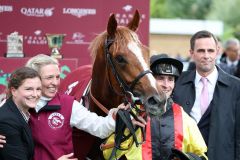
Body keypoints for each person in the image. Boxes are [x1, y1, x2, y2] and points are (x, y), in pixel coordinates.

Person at [0, 54, 145, 160]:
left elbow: (99, 127)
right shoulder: (16, 105)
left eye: (57, 77)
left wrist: (118, 117)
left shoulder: (68, 104)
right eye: (49, 77)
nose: (55, 83)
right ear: (34, 78)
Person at [101, 54, 207, 160]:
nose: (166, 85)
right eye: (160, 78)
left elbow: (201, 155)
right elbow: (108, 154)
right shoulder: (131, 115)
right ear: (149, 80)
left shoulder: (184, 119)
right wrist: (126, 130)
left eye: (170, 79)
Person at [173, 30, 240, 160]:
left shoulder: (236, 87)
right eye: (201, 51)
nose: (206, 55)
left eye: (210, 50)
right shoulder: (176, 83)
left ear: (218, 51)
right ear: (191, 53)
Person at [0, 67, 42, 160]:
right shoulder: (7, 121)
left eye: (38, 89)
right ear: (14, 91)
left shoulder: (22, 112)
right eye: (29, 89)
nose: (35, 94)